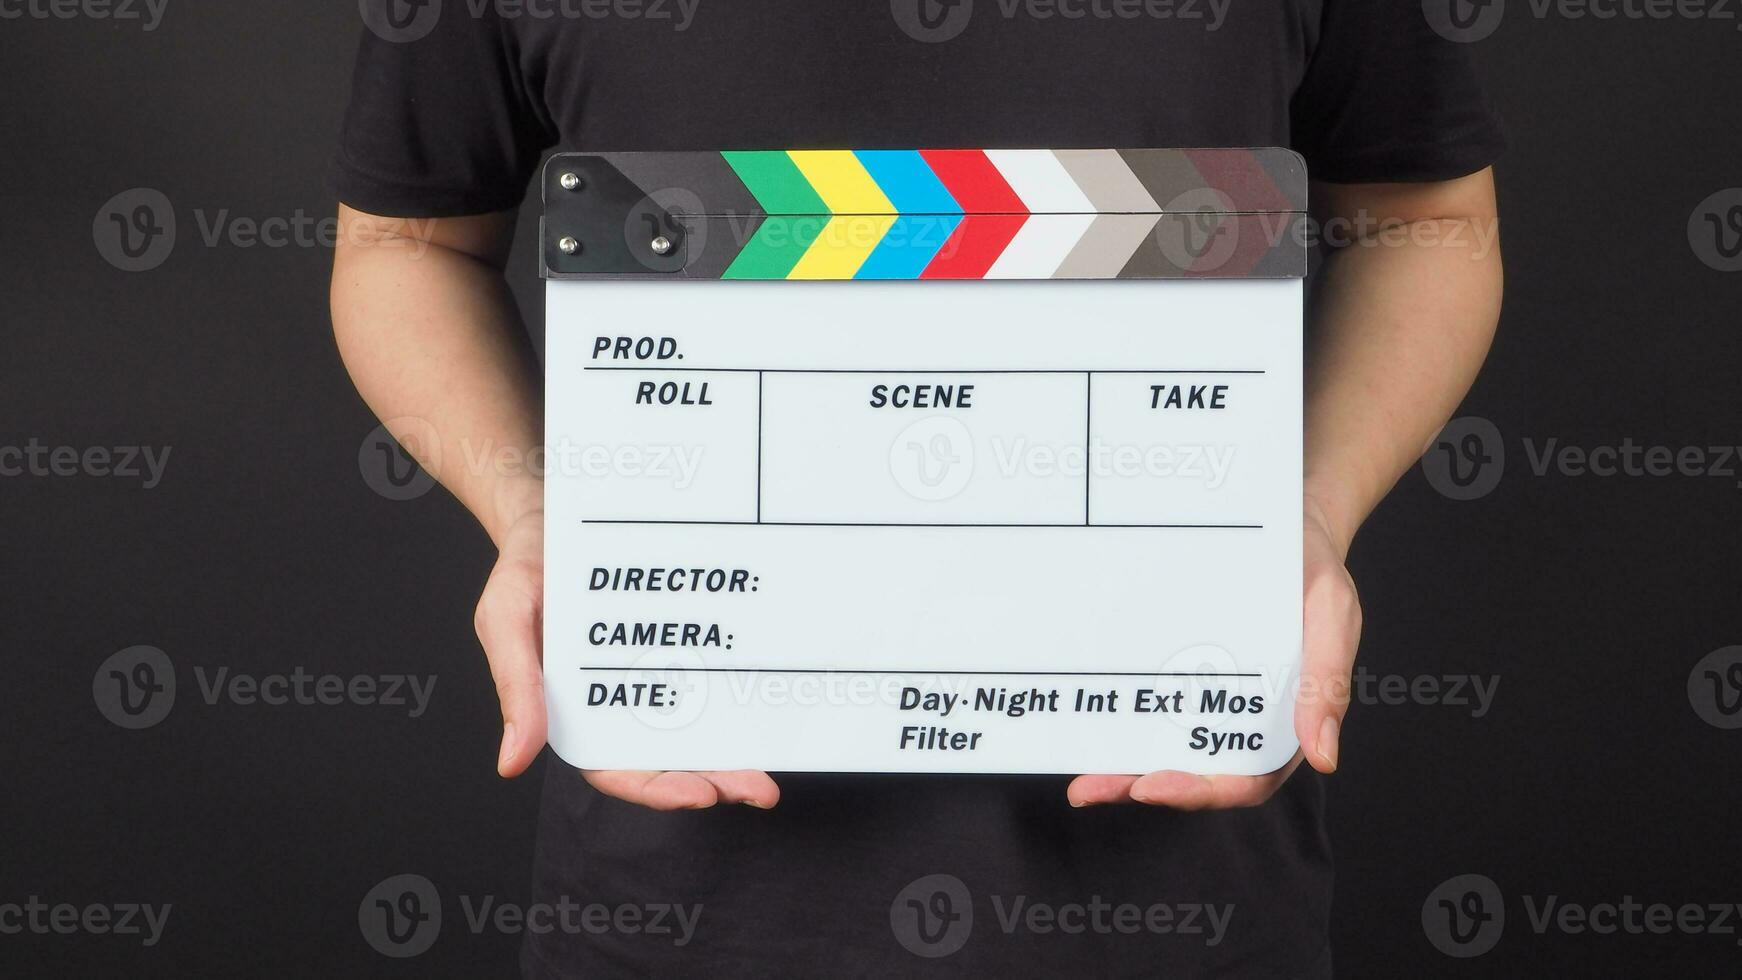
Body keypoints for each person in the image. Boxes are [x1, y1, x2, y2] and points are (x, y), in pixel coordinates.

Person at [329, 1, 1503, 974]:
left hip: (1181, 892)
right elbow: (405, 242)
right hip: (676, 897)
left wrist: (1302, 513)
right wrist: (534, 520)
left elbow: (1424, 219)